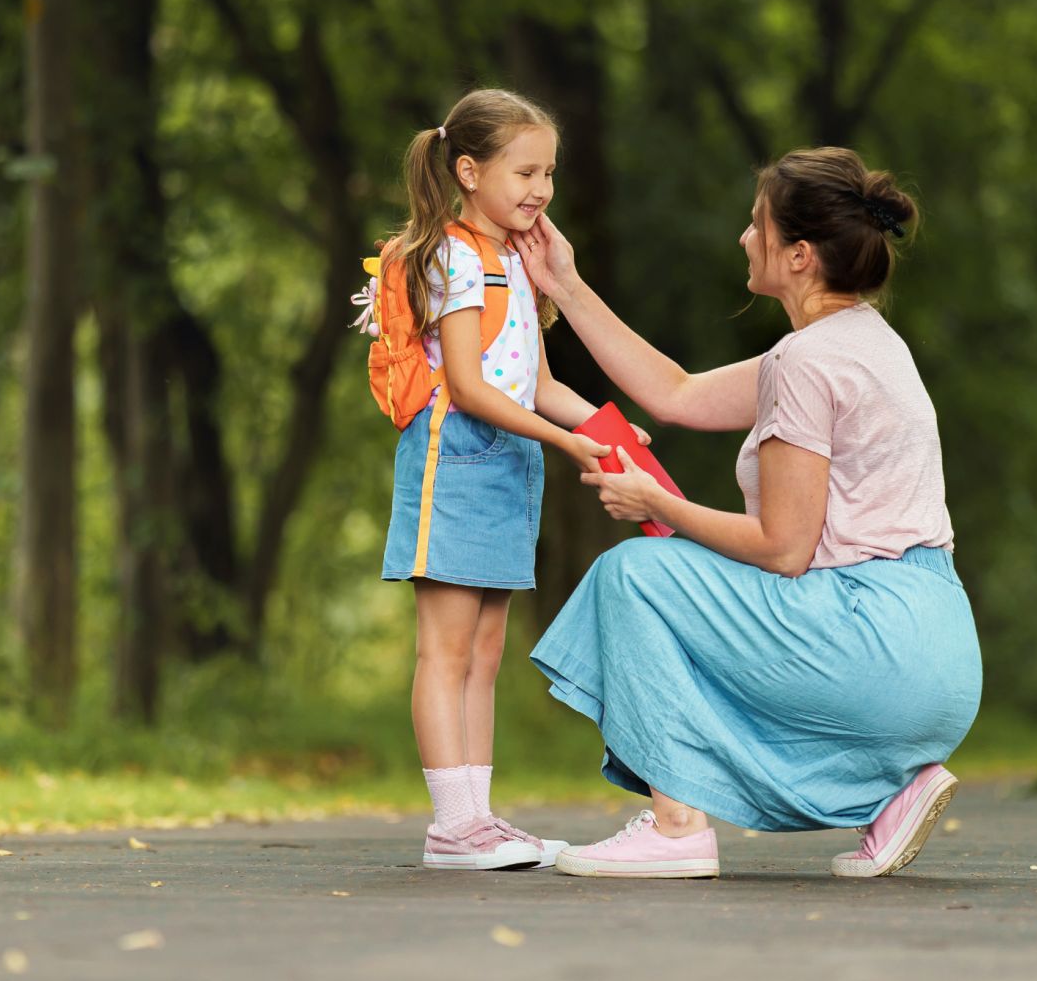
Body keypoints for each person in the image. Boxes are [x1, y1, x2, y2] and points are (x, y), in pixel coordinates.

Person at [516, 146, 981, 879]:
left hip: (875, 644)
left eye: (756, 224)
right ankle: (891, 790)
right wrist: (564, 284)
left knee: (633, 577)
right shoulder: (861, 342)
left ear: (798, 255)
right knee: (695, 597)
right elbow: (674, 392)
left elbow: (783, 547)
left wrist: (656, 502)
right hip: (938, 663)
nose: (742, 237)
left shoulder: (805, 363)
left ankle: (675, 828)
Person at [373, 88, 619, 871]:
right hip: (457, 459)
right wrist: (564, 443)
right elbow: (475, 389)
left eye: (549, 172)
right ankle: (452, 824)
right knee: (444, 650)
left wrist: (604, 430)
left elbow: (538, 382)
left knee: (484, 649)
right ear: (470, 170)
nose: (541, 189)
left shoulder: (518, 258)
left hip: (510, 462)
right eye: (525, 171)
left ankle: (477, 817)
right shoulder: (454, 254)